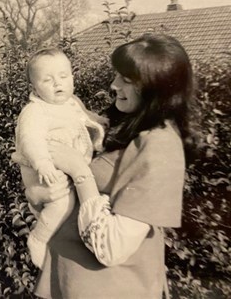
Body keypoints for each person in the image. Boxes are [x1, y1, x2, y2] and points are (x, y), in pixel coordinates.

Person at [22, 34, 196, 298]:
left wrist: (80, 172)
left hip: (111, 287)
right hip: (71, 279)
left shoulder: (161, 146)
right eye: (116, 76)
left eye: (126, 80)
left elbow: (111, 247)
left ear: (154, 88)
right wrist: (35, 196)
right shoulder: (124, 124)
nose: (113, 85)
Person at [14, 47, 106, 269]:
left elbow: (87, 119)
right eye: (47, 80)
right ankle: (38, 239)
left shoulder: (71, 103)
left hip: (63, 167)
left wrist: (102, 126)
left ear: (72, 77)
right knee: (63, 202)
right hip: (41, 169)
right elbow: (30, 139)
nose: (58, 83)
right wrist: (42, 163)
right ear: (34, 87)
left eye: (63, 76)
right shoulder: (36, 111)